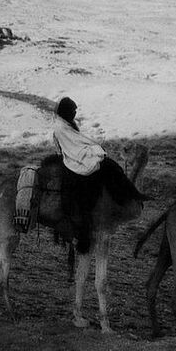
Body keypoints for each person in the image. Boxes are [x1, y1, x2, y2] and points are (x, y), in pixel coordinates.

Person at [52, 97, 125, 253]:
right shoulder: (60, 127)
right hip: (71, 159)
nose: (74, 114)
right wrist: (90, 150)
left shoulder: (66, 124)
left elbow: (77, 141)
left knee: (107, 164)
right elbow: (71, 146)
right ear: (66, 111)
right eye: (72, 111)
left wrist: (91, 148)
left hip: (75, 154)